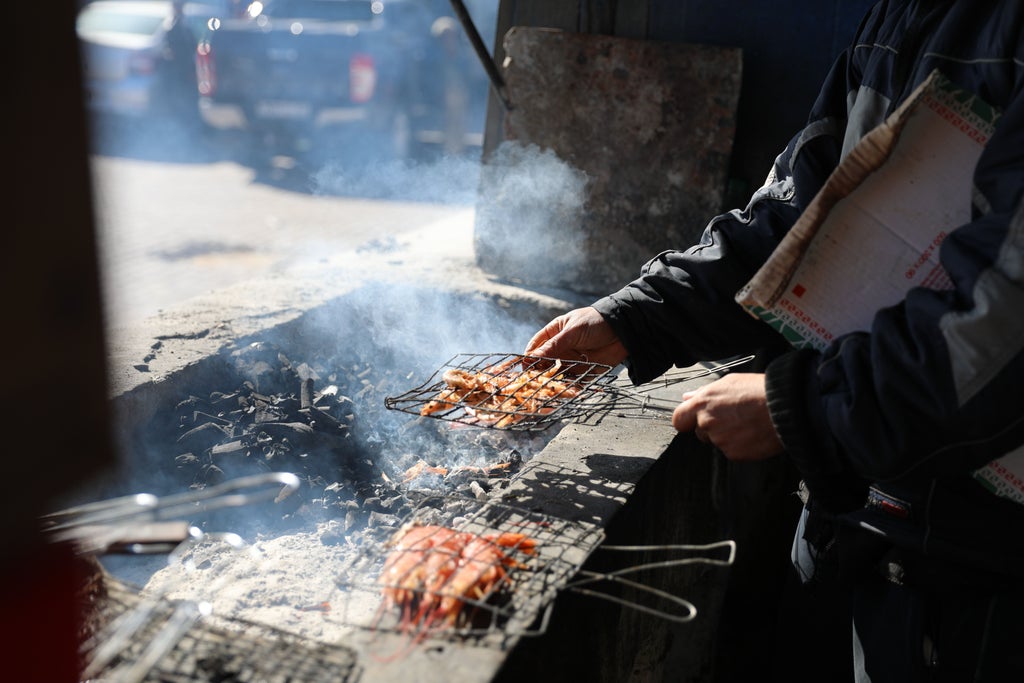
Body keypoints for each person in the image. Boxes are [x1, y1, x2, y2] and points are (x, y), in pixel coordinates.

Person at [524, 0, 1024, 680]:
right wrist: (639, 314)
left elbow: (1005, 322)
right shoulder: (901, 15)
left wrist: (803, 409)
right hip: (869, 512)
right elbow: (799, 214)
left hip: (986, 563)